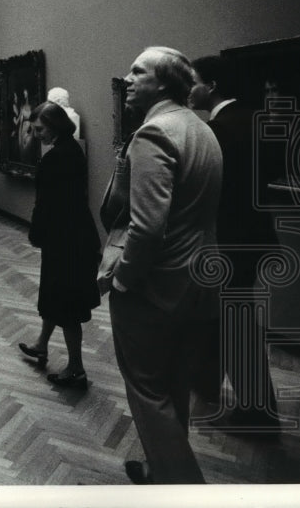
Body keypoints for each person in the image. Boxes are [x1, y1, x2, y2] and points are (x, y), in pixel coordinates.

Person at [99, 47, 223, 484]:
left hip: (157, 285)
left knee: (148, 392)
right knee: (174, 386)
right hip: (200, 279)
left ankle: (182, 486)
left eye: (139, 71)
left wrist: (126, 280)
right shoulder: (201, 129)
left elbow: (147, 229)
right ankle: (158, 471)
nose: (128, 78)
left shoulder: (154, 134)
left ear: (165, 84)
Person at [189, 55, 280, 429]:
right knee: (225, 319)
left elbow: (214, 194)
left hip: (229, 243)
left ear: (211, 86)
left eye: (193, 80)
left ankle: (259, 415)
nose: (189, 87)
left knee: (237, 326)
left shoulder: (221, 129)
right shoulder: (255, 120)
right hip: (254, 238)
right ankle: (206, 384)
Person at [18, 101, 101, 388]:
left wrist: (36, 233)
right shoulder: (71, 148)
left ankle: (76, 368)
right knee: (56, 296)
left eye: (40, 128)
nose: (36, 133)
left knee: (66, 304)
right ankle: (42, 344)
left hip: (66, 240)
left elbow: (48, 204)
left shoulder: (58, 156)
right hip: (73, 235)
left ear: (54, 124)